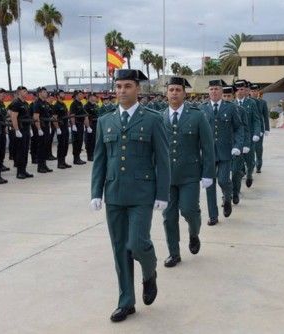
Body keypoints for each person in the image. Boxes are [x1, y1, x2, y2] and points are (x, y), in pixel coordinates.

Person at [90, 69, 170, 322]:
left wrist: (162, 193)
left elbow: (163, 160)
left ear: (138, 89)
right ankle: (126, 301)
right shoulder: (105, 121)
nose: (121, 91)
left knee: (136, 243)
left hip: (142, 194)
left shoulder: (153, 119)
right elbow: (100, 160)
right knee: (119, 250)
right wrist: (96, 192)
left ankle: (149, 272)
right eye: (118, 86)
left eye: (127, 86)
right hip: (113, 193)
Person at [161, 77, 215, 268]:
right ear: (166, 93)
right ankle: (173, 253)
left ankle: (194, 233)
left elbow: (208, 146)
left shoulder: (197, 116)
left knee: (189, 210)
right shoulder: (159, 117)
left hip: (190, 174)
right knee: (168, 216)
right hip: (166, 177)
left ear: (184, 93)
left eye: (178, 89)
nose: (174, 93)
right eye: (171, 89)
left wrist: (208, 173)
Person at [201, 79, 243, 226]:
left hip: (226, 151)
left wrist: (238, 145)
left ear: (221, 91)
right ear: (208, 91)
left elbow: (238, 128)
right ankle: (213, 216)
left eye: (217, 89)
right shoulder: (202, 108)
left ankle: (227, 197)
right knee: (209, 184)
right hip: (208, 153)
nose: (214, 92)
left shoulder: (231, 108)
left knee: (223, 180)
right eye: (211, 89)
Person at [234, 80, 261, 188]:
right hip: (236, 140)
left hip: (249, 139)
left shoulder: (251, 103)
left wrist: (256, 133)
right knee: (237, 164)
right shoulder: (232, 104)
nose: (240, 92)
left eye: (242, 89)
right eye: (237, 89)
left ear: (245, 90)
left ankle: (249, 174)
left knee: (250, 162)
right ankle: (236, 187)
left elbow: (256, 120)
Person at [8, 86, 34, 179]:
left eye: (26, 91)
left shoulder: (26, 103)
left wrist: (30, 129)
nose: (26, 92)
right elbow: (14, 117)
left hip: (26, 129)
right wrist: (17, 130)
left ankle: (24, 170)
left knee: (25, 150)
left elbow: (27, 117)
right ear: (19, 92)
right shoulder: (16, 103)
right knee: (20, 151)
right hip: (20, 129)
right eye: (24, 91)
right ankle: (19, 172)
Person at [32, 87, 53, 173]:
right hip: (41, 127)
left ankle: (44, 165)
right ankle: (40, 167)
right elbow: (36, 117)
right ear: (39, 93)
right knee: (41, 147)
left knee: (45, 147)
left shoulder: (45, 103)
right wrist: (39, 129)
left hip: (47, 126)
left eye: (46, 92)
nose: (46, 93)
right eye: (44, 92)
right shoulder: (37, 103)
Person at [249, 83, 270, 173]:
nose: (254, 93)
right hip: (250, 128)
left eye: (256, 91)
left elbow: (265, 116)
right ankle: (251, 164)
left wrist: (267, 129)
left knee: (258, 148)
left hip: (260, 129)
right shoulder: (247, 102)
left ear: (258, 92)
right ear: (250, 92)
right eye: (252, 91)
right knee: (250, 148)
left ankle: (259, 163)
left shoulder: (263, 102)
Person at [52, 89, 71, 169]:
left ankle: (63, 161)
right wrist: (57, 128)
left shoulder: (63, 104)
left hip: (65, 126)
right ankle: (60, 163)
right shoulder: (56, 105)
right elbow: (54, 118)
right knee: (61, 145)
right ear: (57, 96)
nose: (63, 94)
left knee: (65, 145)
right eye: (62, 93)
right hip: (60, 127)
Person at [70, 90, 89, 165]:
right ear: (76, 95)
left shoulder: (80, 103)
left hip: (81, 125)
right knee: (76, 142)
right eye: (80, 94)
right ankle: (75, 159)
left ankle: (78, 157)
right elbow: (72, 115)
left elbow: (84, 114)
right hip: (76, 125)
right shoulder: (73, 104)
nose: (82, 96)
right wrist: (73, 124)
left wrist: (87, 126)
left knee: (80, 141)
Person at [84, 93, 98, 161]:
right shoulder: (86, 106)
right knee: (89, 141)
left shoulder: (95, 105)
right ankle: (89, 156)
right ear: (89, 98)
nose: (94, 98)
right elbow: (85, 117)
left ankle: (94, 154)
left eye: (95, 97)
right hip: (90, 125)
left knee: (94, 140)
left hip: (96, 124)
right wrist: (88, 126)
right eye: (93, 97)